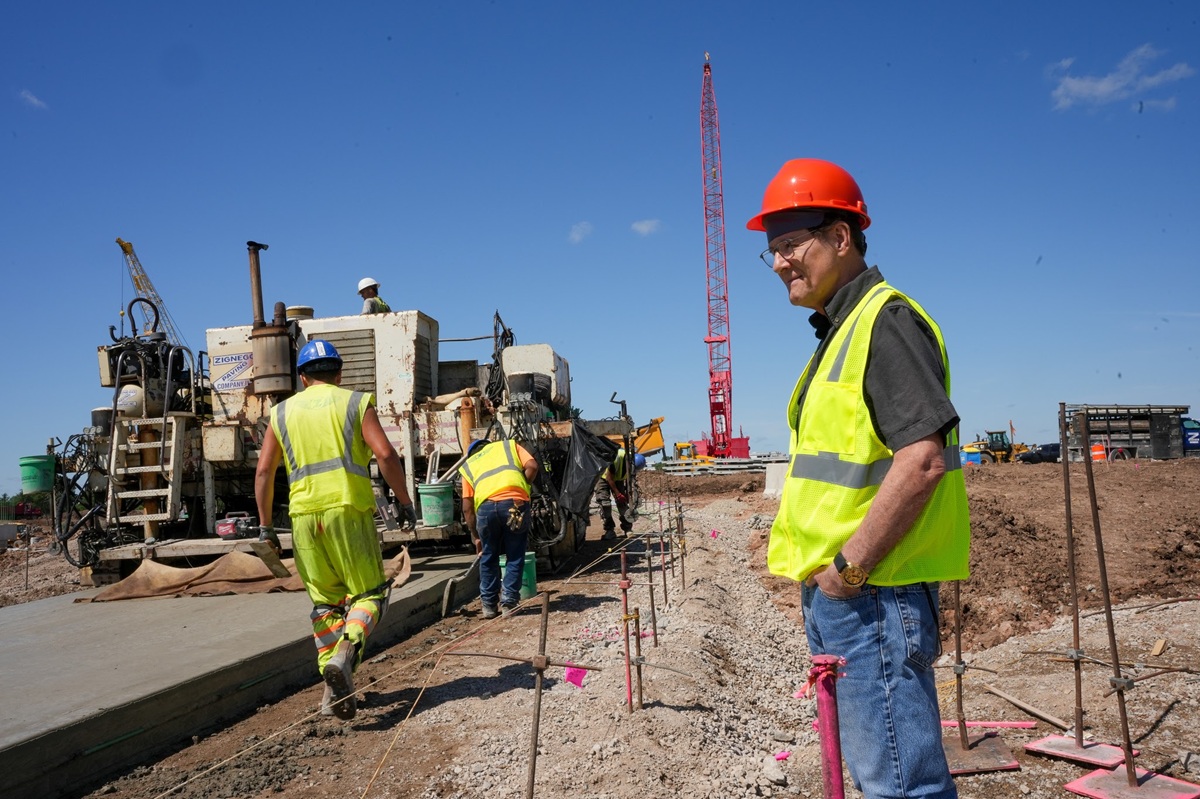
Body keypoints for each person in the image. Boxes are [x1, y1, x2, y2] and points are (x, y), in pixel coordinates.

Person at [748, 158, 969, 799]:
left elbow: (921, 459)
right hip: (852, 594)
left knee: (899, 783)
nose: (782, 262)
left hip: (873, 592)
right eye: (773, 251)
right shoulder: (842, 331)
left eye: (792, 244)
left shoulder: (883, 321)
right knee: (882, 777)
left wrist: (848, 570)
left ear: (841, 238)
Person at [254, 338, 417, 721]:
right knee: (371, 594)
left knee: (326, 604)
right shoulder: (355, 403)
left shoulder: (281, 413)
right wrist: (405, 501)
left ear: (301, 377)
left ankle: (332, 691)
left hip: (303, 519)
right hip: (349, 511)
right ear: (339, 373)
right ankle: (346, 652)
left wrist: (265, 527)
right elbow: (386, 454)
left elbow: (263, 471)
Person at [458, 438, 539, 619]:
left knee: (488, 555)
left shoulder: (469, 465)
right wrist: (524, 486)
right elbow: (532, 466)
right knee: (515, 554)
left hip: (485, 510)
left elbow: (467, 508)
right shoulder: (508, 446)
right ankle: (509, 603)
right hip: (515, 504)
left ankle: (488, 606)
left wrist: (475, 536)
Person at [594, 447, 639, 541]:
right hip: (603, 476)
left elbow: (629, 478)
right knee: (605, 503)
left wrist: (626, 492)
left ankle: (627, 528)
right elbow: (609, 478)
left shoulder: (632, 462)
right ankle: (609, 530)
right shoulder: (616, 458)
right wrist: (618, 494)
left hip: (618, 478)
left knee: (622, 503)